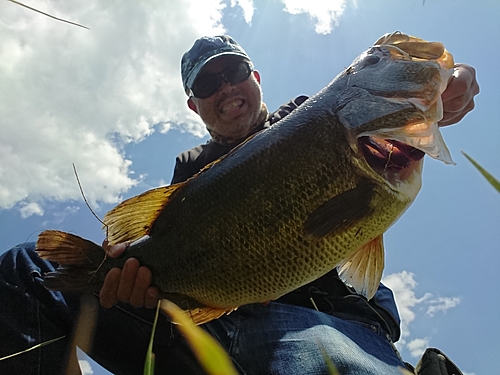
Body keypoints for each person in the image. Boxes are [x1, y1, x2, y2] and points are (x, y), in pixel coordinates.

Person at [0, 35, 479, 375]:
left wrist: (444, 87)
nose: (226, 89)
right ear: (194, 105)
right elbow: (164, 264)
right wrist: (129, 279)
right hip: (206, 327)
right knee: (25, 269)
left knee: (319, 359)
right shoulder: (190, 169)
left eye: (233, 73)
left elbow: (391, 110)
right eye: (208, 85)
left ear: (254, 76)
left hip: (318, 322)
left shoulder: (308, 119)